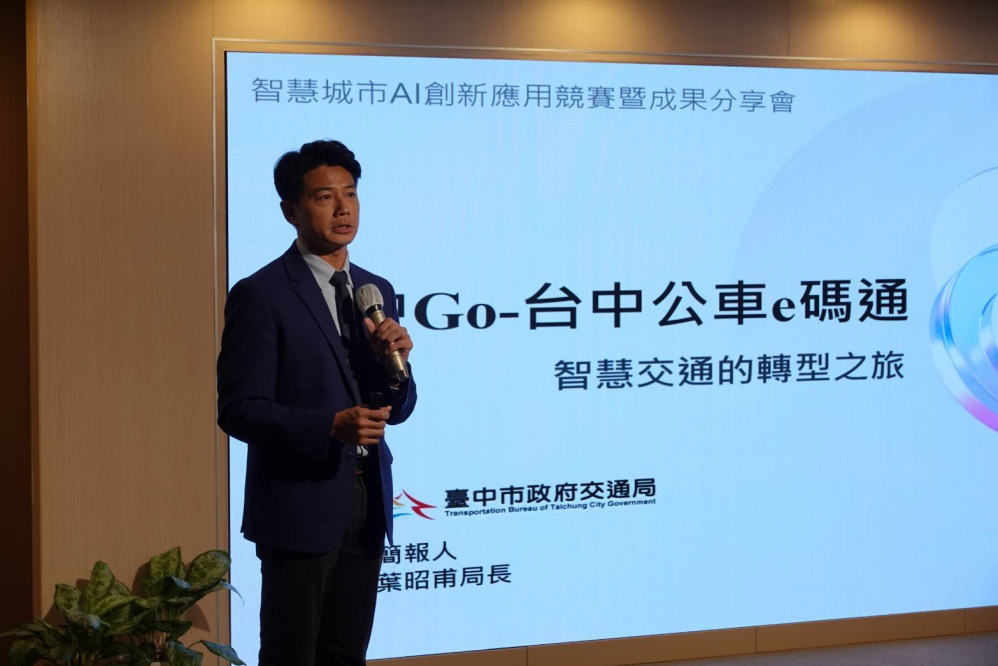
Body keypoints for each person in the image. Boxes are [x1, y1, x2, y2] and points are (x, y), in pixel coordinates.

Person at [217, 139, 416, 666]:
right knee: (292, 655)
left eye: (350, 194)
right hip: (299, 506)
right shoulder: (262, 294)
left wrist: (395, 370)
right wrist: (328, 426)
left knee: (346, 654)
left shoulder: (375, 290)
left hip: (368, 503)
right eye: (325, 197)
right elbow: (238, 409)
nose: (343, 208)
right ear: (291, 211)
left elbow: (400, 406)